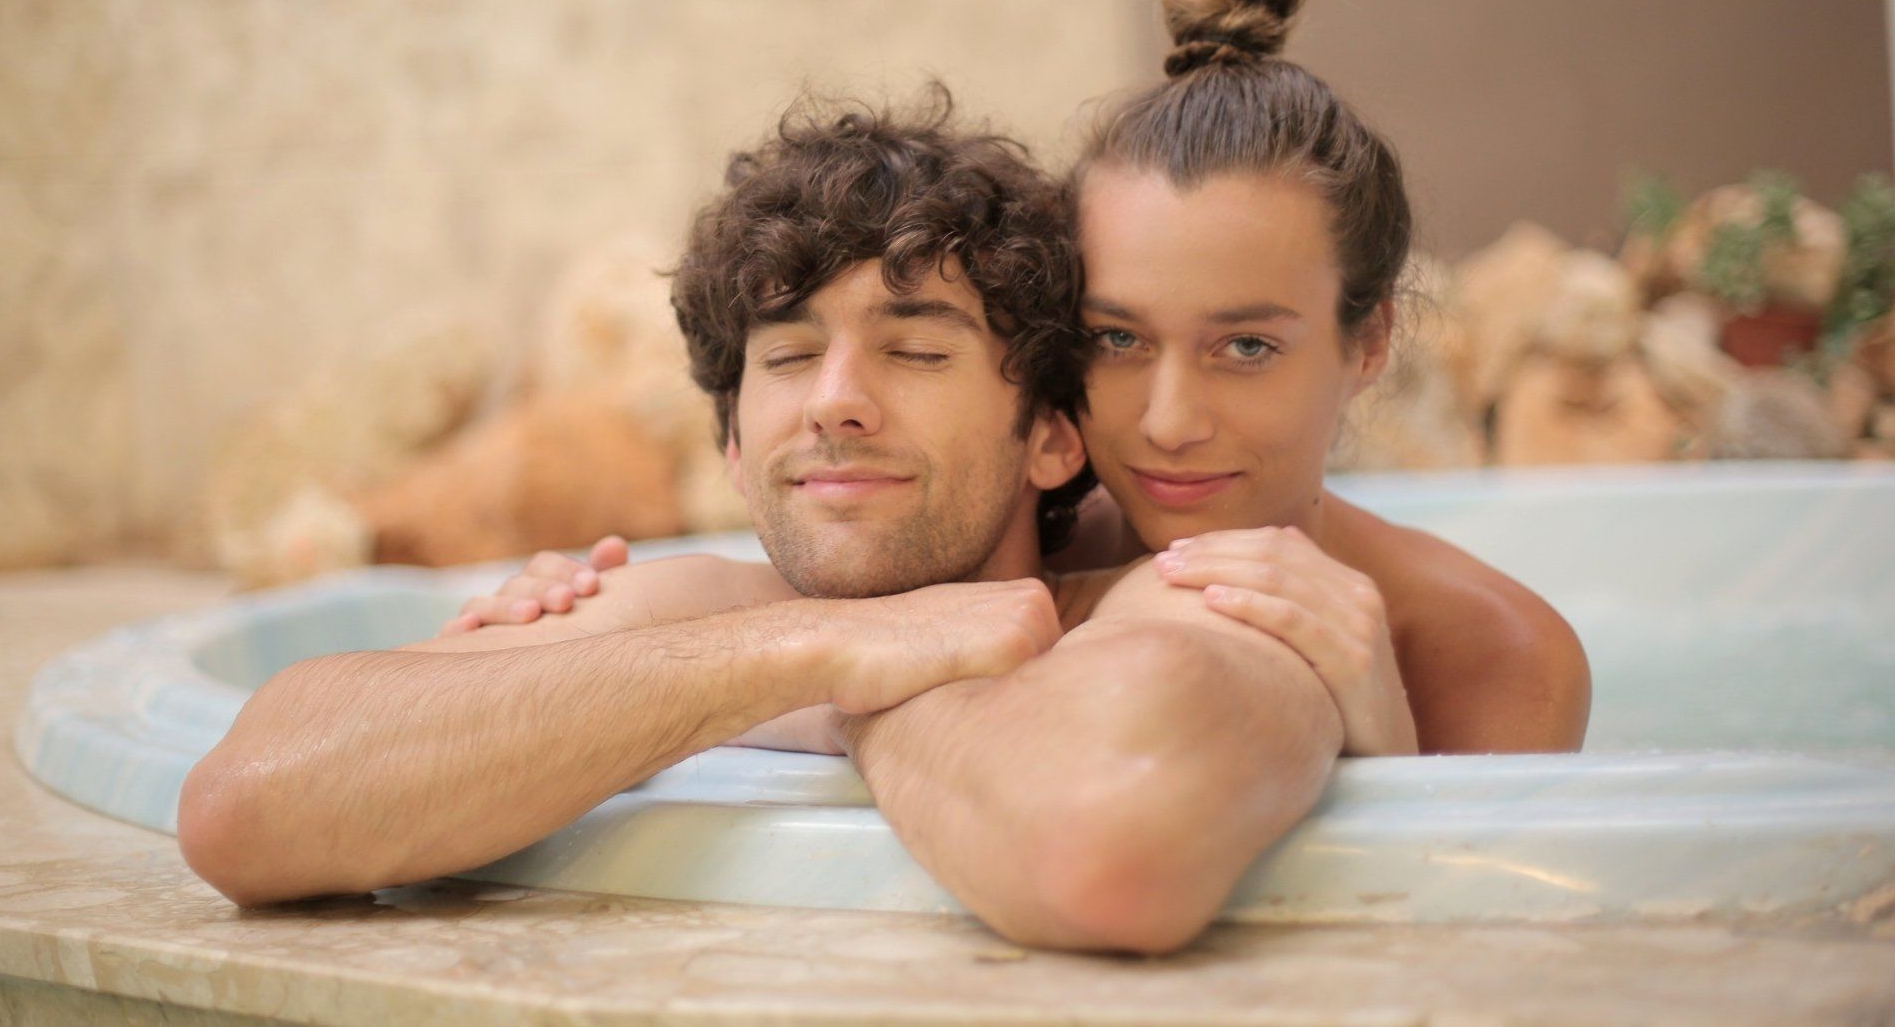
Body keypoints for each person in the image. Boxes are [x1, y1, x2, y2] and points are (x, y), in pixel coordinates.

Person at [177, 92, 1344, 956]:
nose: (834, 396)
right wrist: (812, 650)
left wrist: (882, 664)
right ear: (734, 448)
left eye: (917, 348)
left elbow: (1109, 851)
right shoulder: (719, 620)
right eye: (787, 355)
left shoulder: (1190, 594)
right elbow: (248, 804)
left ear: (1051, 433)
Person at [456, 0, 1593, 758]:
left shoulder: (1494, 652)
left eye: (1246, 346)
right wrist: (561, 617)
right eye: (1117, 339)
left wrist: (1380, 738)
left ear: (1370, 340)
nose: (1169, 421)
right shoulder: (996, 518)